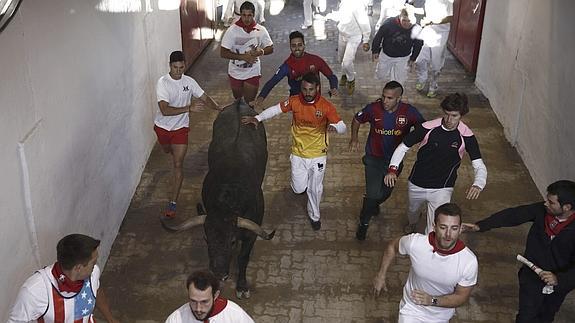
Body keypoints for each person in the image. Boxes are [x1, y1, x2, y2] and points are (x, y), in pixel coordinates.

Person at [241, 73, 346, 231]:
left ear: (317, 88)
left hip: (318, 155)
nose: (307, 93)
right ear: (301, 89)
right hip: (297, 153)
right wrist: (258, 118)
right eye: (304, 89)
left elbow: (343, 126)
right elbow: (275, 109)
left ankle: (314, 216)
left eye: (311, 89)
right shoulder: (294, 101)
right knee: (298, 188)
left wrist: (335, 127)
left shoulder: (326, 107)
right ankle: (300, 188)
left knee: (315, 188)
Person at [463, 180, 575, 323]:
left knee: (546, 316)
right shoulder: (542, 210)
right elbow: (514, 215)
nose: (546, 203)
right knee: (525, 317)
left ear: (567, 207)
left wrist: (559, 279)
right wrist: (481, 226)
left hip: (558, 285)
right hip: (531, 278)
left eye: (551, 202)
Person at [384, 93, 487, 234]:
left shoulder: (467, 136)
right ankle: (413, 222)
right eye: (447, 114)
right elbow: (403, 147)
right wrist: (392, 169)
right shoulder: (427, 127)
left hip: (442, 188)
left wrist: (478, 184)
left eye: (454, 116)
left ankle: (428, 249)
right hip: (417, 182)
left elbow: (479, 165)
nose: (449, 119)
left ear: (461, 115)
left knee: (433, 228)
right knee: (412, 211)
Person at [373, 203, 478, 323]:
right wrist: (381, 275)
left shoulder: (469, 261)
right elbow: (392, 246)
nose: (448, 234)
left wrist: (432, 300)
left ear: (460, 229)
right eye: (443, 227)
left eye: (454, 228)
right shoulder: (416, 243)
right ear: (434, 226)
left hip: (441, 315)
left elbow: (461, 297)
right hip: (412, 309)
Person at [349, 81, 424, 240]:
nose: (385, 101)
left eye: (390, 98)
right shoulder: (373, 109)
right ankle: (364, 222)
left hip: (394, 162)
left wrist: (415, 141)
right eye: (383, 96)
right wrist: (354, 138)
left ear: (399, 98)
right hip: (373, 159)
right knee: (372, 193)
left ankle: (373, 204)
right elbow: (357, 119)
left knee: (385, 193)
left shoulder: (409, 112)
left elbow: (422, 128)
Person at [155, 50, 222, 218]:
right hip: (162, 128)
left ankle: (172, 203)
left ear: (184, 65)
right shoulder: (162, 83)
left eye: (181, 67)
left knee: (178, 164)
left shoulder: (189, 82)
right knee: (166, 150)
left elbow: (205, 97)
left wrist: (219, 108)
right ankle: (169, 149)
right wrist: (189, 108)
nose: (178, 71)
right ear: (170, 66)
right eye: (175, 67)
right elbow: (164, 110)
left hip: (180, 129)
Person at [9, 234, 118, 323]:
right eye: (93, 263)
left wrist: (110, 319)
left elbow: (97, 290)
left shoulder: (93, 273)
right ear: (78, 268)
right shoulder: (34, 291)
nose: (95, 265)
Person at [254, 31, 338, 110]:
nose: (297, 48)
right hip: (297, 103)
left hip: (316, 101)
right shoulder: (287, 66)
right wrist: (261, 97)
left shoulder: (316, 60)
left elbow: (331, 76)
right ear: (290, 47)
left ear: (304, 45)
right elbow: (272, 82)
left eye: (299, 45)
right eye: (293, 46)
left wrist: (333, 87)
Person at [220, 1, 273, 105]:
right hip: (235, 72)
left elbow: (270, 48)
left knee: (249, 104)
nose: (246, 18)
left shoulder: (260, 30)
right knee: (238, 102)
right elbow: (223, 53)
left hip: (252, 72)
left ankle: (249, 120)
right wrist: (243, 57)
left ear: (254, 15)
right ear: (240, 14)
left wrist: (261, 51)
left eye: (249, 15)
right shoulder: (232, 31)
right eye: (244, 15)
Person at [165, 270, 254, 322]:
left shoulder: (236, 317)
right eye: (193, 301)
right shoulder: (176, 320)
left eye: (204, 301)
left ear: (215, 295)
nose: (198, 309)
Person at [372, 7, 423, 86]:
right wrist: (375, 50)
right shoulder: (389, 24)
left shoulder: (416, 29)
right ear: (400, 18)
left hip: (403, 57)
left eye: (409, 21)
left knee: (399, 81)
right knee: (381, 76)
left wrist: (413, 59)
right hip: (387, 55)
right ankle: (388, 71)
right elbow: (379, 36)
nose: (407, 24)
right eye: (404, 21)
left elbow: (418, 45)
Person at [414, 0, 454, 98]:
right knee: (420, 60)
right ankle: (422, 79)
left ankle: (433, 86)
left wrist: (431, 21)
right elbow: (424, 11)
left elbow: (450, 18)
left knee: (436, 65)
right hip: (429, 31)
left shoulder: (447, 2)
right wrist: (412, 9)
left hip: (441, 34)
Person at [336, 0, 371, 95]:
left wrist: (366, 40)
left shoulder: (357, 5)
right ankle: (344, 75)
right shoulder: (343, 2)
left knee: (347, 62)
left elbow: (364, 23)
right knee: (341, 59)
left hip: (354, 36)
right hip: (342, 34)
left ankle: (351, 79)